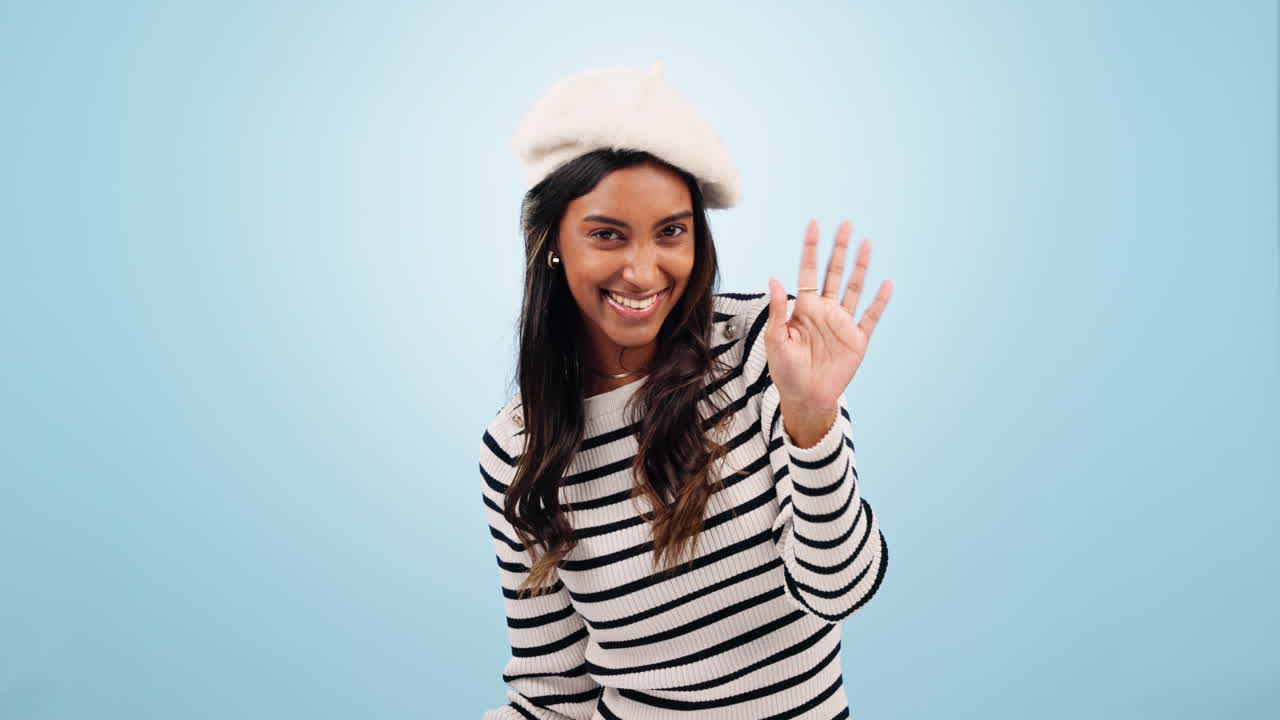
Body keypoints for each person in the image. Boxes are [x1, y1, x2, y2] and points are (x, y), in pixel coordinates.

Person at [479, 62, 894, 720]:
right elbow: (551, 694)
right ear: (553, 241)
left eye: (671, 231)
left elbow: (839, 587)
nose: (644, 271)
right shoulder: (516, 445)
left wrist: (811, 424)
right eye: (607, 234)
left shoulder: (768, 348)